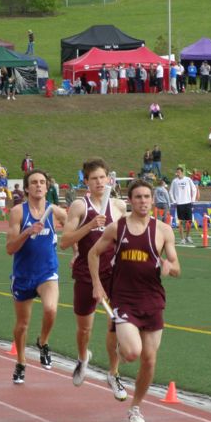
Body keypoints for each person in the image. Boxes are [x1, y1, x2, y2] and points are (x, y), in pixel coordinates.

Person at [88, 179, 180, 422]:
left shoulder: (163, 230)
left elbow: (177, 266)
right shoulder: (118, 228)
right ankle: (119, 352)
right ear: (130, 200)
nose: (143, 201)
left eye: (146, 197)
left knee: (149, 360)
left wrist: (170, 267)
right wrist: (96, 284)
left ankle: (136, 407)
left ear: (153, 200)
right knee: (132, 352)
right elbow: (93, 253)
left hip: (152, 300)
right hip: (124, 299)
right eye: (138, 197)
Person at [59, 158, 128, 397]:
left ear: (109, 179)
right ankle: (82, 357)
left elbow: (125, 238)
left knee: (115, 326)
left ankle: (114, 373)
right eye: (94, 178)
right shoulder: (80, 206)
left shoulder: (118, 206)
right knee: (85, 329)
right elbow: (65, 241)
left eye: (102, 177)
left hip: (113, 273)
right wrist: (90, 226)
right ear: (86, 181)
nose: (99, 182)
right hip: (86, 274)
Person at [5, 170, 68, 384]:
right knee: (22, 324)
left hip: (47, 271)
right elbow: (10, 248)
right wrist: (27, 231)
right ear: (26, 188)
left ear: (47, 187)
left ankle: (43, 342)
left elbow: (72, 228)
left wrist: (78, 251)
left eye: (42, 182)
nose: (39, 186)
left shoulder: (54, 211)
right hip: (23, 274)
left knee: (51, 309)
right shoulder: (18, 212)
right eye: (34, 183)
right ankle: (21, 362)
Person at [169, 166, 197, 244]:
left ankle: (187, 236)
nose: (177, 174)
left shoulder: (188, 179)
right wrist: (174, 201)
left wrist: (193, 200)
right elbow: (170, 192)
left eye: (179, 172)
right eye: (177, 172)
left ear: (182, 172)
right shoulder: (174, 181)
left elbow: (194, 189)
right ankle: (182, 239)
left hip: (188, 203)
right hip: (179, 204)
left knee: (189, 221)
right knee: (180, 222)